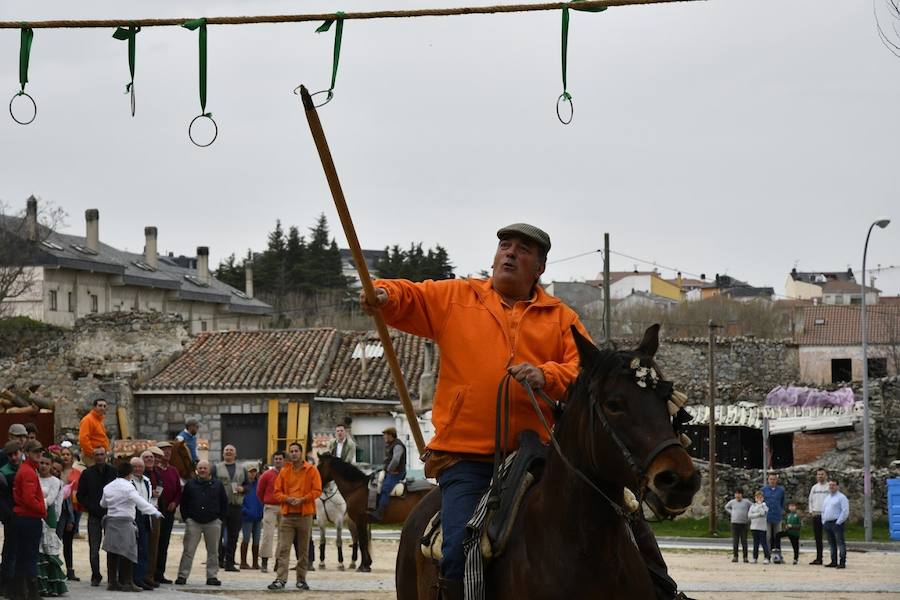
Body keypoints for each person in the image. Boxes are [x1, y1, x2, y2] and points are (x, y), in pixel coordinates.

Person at [359, 223, 621, 598]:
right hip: (467, 457)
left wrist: (546, 374)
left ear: (539, 268)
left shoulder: (561, 318)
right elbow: (410, 297)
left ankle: (663, 588)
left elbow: (587, 370)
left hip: (539, 456)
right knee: (458, 552)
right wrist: (383, 293)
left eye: (523, 249)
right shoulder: (458, 297)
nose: (510, 253)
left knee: (624, 519)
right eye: (505, 245)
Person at [267, 441, 322, 591]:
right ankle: (280, 579)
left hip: (305, 515)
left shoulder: (311, 470)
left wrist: (303, 499)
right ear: (289, 454)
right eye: (291, 451)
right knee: (284, 548)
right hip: (287, 515)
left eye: (296, 450)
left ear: (301, 452)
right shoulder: (284, 471)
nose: (294, 453)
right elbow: (277, 492)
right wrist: (287, 499)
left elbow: (317, 490)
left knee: (303, 549)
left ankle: (301, 579)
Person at [100, 460, 162, 592]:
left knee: (112, 552)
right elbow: (141, 503)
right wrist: (155, 512)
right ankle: (128, 582)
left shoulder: (108, 486)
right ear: (129, 474)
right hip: (125, 521)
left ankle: (112, 582)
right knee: (128, 552)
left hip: (111, 521)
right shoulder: (129, 487)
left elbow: (103, 504)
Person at [176, 460, 228, 586]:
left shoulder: (218, 484)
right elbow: (184, 503)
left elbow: (224, 502)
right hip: (194, 522)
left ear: (209, 470)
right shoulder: (190, 485)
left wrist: (220, 519)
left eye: (205, 468)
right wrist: (187, 518)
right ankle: (182, 575)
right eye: (200, 468)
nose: (203, 470)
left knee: (213, 551)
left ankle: (212, 577)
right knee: (188, 550)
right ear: (197, 470)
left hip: (213, 522)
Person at [75, 445, 117, 586]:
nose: (99, 457)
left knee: (112, 546)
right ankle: (95, 575)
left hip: (111, 514)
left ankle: (112, 576)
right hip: (94, 515)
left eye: (101, 454)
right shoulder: (87, 474)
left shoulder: (113, 472)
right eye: (97, 455)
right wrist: (91, 507)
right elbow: (80, 495)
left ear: (106, 455)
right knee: (94, 548)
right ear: (93, 457)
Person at [12, 440, 48, 600]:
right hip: (29, 518)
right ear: (27, 453)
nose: (39, 454)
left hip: (22, 517)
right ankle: (32, 594)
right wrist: (42, 509)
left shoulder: (26, 469)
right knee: (30, 556)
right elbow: (28, 498)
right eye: (35, 452)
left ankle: (20, 592)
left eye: (40, 451)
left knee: (22, 555)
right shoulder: (28, 472)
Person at [152, 441, 183, 585]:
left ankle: (160, 573)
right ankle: (150, 573)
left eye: (170, 451)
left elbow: (178, 491)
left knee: (164, 543)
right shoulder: (154, 471)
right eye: (165, 451)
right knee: (154, 543)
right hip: (155, 511)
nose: (168, 453)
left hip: (169, 512)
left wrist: (175, 503)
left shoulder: (174, 471)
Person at [37, 452, 67, 596]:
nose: (43, 466)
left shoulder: (56, 482)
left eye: (47, 464)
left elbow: (50, 501)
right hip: (34, 516)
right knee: (37, 550)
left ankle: (53, 586)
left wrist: (35, 501)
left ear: (51, 466)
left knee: (49, 550)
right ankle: (40, 586)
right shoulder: (34, 478)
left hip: (49, 518)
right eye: (41, 463)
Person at [215, 444, 248, 572]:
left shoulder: (242, 469)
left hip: (236, 507)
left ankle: (229, 563)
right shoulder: (216, 468)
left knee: (233, 536)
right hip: (220, 507)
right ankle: (218, 560)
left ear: (235, 454)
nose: (228, 452)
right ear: (223, 454)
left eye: (231, 450)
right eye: (226, 450)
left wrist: (243, 489)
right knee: (217, 536)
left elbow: (248, 486)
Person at [370, 427, 406, 522]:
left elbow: (395, 460)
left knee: (385, 489)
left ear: (391, 435)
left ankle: (380, 513)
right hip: (389, 471)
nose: (384, 437)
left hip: (397, 473)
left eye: (385, 435)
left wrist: (389, 470)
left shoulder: (398, 445)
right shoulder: (390, 445)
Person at [257, 451, 285, 573]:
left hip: (284, 507)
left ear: (284, 460)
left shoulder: (288, 474)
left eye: (280, 459)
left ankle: (279, 562)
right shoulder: (267, 475)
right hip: (270, 507)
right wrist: (265, 502)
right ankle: (264, 561)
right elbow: (259, 491)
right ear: (273, 460)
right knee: (267, 535)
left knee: (283, 536)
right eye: (276, 459)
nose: (278, 461)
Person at [57, 446, 82, 582]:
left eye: (68, 454)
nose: (65, 456)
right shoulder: (56, 471)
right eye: (63, 454)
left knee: (68, 541)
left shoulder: (77, 473)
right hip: (59, 508)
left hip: (72, 509)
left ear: (72, 457)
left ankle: (70, 569)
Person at [0, 441, 22, 596]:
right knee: (10, 552)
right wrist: (9, 515)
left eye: (16, 454)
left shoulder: (26, 469)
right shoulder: (3, 472)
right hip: (10, 517)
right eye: (10, 455)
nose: (14, 458)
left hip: (25, 516)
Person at [130, 456, 155, 590]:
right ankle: (133, 578)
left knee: (144, 550)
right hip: (133, 517)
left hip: (145, 517)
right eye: (135, 467)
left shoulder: (147, 481)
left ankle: (141, 577)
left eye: (140, 467)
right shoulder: (128, 482)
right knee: (133, 550)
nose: (138, 469)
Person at [142, 447, 163, 588]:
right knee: (142, 546)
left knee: (154, 545)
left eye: (151, 457)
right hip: (142, 513)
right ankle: (140, 575)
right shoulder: (138, 475)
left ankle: (150, 575)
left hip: (155, 512)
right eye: (146, 457)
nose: (150, 459)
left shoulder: (157, 473)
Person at [821, 479, 849, 569]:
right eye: (830, 485)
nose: (831, 487)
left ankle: (842, 562)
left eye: (833, 485)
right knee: (831, 544)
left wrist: (838, 522)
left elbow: (845, 511)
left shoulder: (841, 497)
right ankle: (833, 561)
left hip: (836, 523)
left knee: (840, 543)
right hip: (827, 523)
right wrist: (823, 521)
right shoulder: (827, 498)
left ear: (837, 486)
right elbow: (823, 510)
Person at [241, 464, 264, 570]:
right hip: (247, 517)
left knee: (257, 540)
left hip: (258, 517)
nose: (252, 473)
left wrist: (261, 512)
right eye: (250, 471)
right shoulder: (243, 485)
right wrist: (245, 511)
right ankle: (243, 562)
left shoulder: (259, 484)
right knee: (246, 539)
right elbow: (239, 500)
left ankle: (255, 563)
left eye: (254, 471)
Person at [78, 397, 110, 467]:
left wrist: (107, 450)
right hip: (92, 456)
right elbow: (83, 438)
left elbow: (102, 437)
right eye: (100, 405)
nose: (102, 408)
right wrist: (92, 453)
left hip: (100, 454)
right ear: (94, 407)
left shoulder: (99, 420)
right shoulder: (88, 419)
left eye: (104, 406)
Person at [807, 468, 829, 565]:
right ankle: (819, 558)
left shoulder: (829, 487)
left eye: (822, 474)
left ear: (826, 475)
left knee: (830, 537)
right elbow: (810, 500)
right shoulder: (814, 488)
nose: (820, 476)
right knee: (818, 538)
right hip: (816, 514)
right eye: (818, 474)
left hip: (827, 515)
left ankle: (834, 558)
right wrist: (811, 511)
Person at [762, 473, 786, 557]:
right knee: (767, 536)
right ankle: (767, 554)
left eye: (774, 479)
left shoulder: (781, 490)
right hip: (767, 516)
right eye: (771, 479)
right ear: (768, 480)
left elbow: (783, 502)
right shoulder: (764, 490)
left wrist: (781, 510)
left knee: (777, 536)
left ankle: (778, 554)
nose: (772, 481)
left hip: (777, 515)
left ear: (777, 480)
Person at [724, 489, 751, 563]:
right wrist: (732, 512)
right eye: (736, 494)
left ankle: (745, 557)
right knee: (735, 541)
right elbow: (726, 507)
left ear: (742, 494)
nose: (737, 495)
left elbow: (752, 507)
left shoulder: (746, 502)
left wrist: (749, 515)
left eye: (739, 494)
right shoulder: (732, 502)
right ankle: (735, 556)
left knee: (744, 541)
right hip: (734, 523)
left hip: (744, 523)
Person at [748, 491, 770, 564]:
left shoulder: (765, 506)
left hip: (762, 528)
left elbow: (763, 513)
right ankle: (755, 557)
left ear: (763, 498)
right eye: (757, 497)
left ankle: (766, 557)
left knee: (764, 543)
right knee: (755, 543)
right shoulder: (753, 506)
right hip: (754, 527)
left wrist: (760, 505)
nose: (759, 499)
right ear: (755, 498)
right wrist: (757, 515)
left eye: (760, 497)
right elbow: (750, 515)